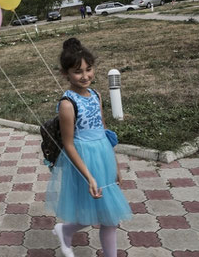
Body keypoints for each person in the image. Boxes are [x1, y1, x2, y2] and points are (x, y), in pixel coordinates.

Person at [46, 38, 131, 257]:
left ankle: (68, 232)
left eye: (89, 69)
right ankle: (65, 230)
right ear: (65, 74)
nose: (85, 76)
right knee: (94, 211)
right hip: (84, 160)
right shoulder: (67, 103)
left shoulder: (96, 95)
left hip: (103, 157)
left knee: (109, 216)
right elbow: (68, 143)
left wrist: (116, 166)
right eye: (77, 72)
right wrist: (89, 177)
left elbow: (104, 131)